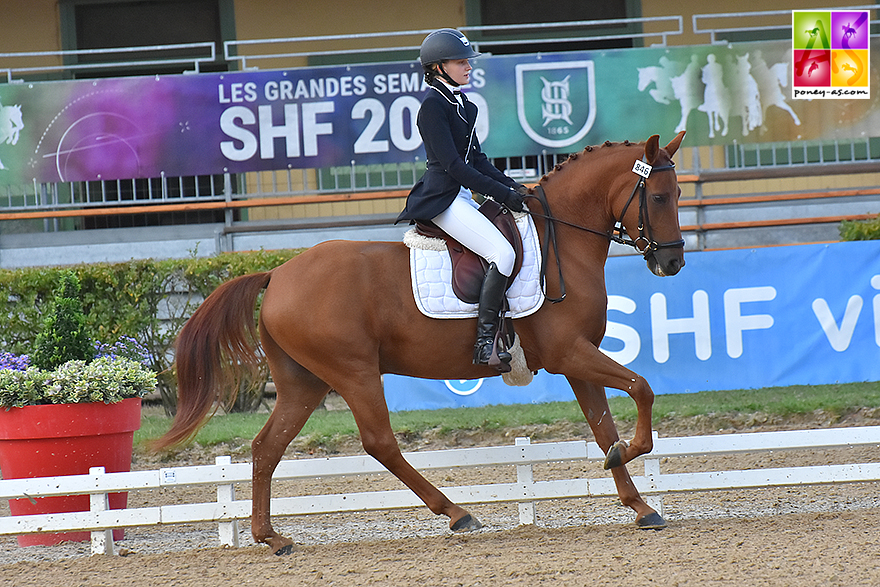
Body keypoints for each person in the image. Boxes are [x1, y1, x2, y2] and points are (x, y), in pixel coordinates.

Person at [396, 28, 528, 370]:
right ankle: (485, 344)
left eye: (467, 61)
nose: (468, 67)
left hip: (460, 197)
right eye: (460, 62)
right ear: (438, 67)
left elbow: (478, 160)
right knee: (503, 253)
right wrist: (502, 195)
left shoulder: (464, 105)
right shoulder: (432, 107)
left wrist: (514, 188)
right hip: (442, 198)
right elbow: (454, 166)